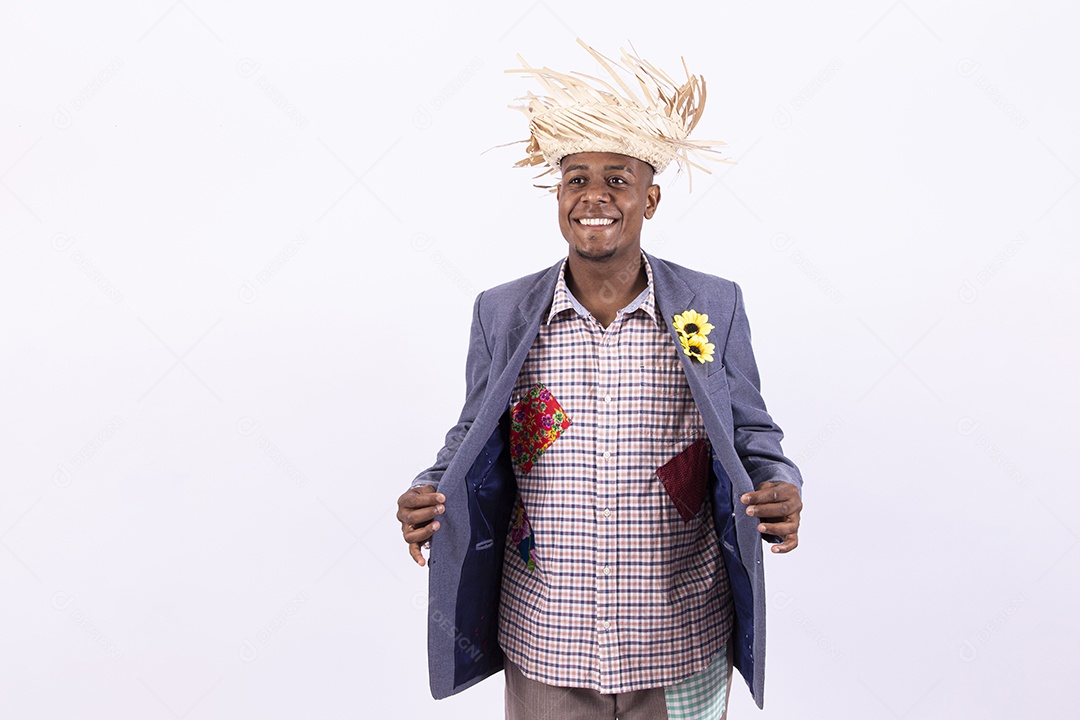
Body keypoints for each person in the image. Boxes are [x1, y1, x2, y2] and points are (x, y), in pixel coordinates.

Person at [397, 39, 803, 720]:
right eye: (577, 177)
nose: (595, 195)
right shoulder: (502, 312)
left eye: (617, 178)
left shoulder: (714, 304)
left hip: (681, 637)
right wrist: (432, 490)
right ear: (558, 195)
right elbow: (472, 430)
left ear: (651, 197)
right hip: (545, 640)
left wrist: (779, 481)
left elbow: (753, 429)